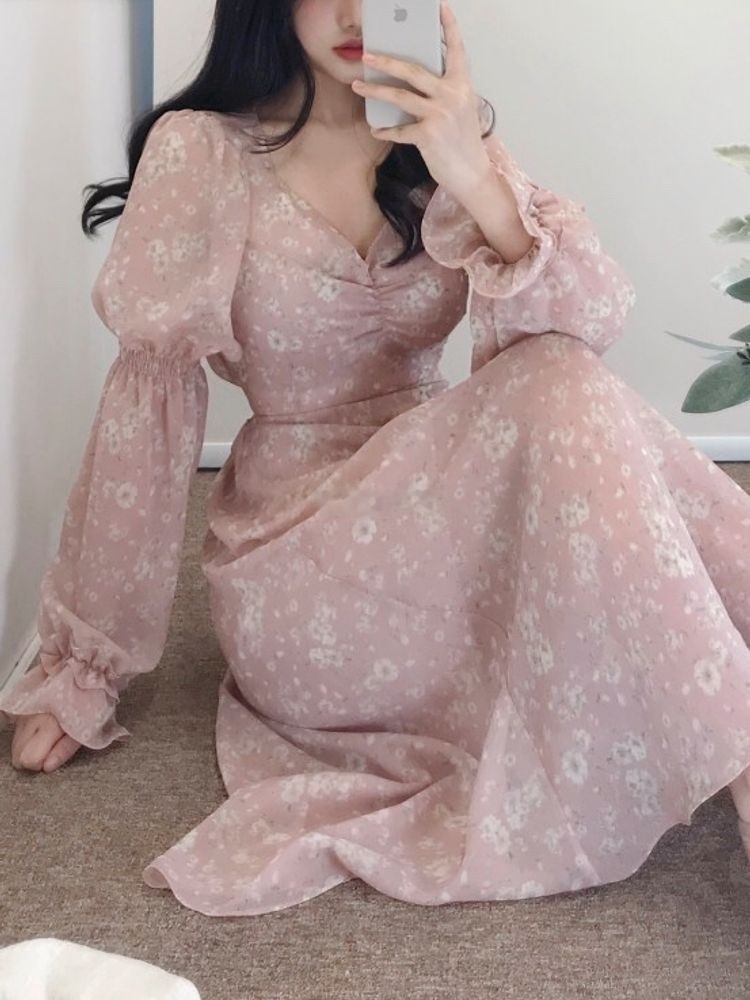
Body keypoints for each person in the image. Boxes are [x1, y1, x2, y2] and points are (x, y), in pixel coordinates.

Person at [4, 0, 750, 918]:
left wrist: (468, 165)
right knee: (554, 387)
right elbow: (145, 421)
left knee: (560, 376)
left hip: (433, 526)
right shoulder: (203, 152)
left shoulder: (438, 138)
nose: (359, 9)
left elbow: (589, 321)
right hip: (298, 566)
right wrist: (84, 665)